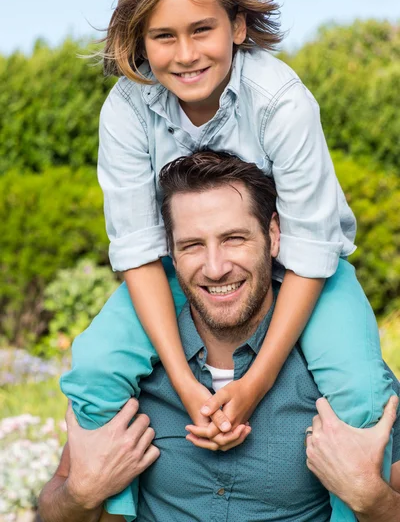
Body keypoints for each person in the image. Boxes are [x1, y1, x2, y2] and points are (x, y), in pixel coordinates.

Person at [61, 0, 394, 521]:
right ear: (139, 42)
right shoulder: (125, 111)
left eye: (201, 29)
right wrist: (191, 390)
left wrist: (256, 384)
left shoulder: (282, 101)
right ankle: (119, 508)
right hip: (179, 265)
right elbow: (138, 250)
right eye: (164, 36)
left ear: (237, 26)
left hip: (306, 267)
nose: (185, 53)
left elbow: (314, 249)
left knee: (362, 392)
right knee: (91, 371)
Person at [42, 152, 400, 522]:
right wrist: (81, 494)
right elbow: (54, 505)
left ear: (273, 235)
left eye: (233, 238)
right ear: (170, 251)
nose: (216, 267)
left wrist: (370, 497)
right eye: (193, 245)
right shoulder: (126, 373)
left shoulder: (343, 378)